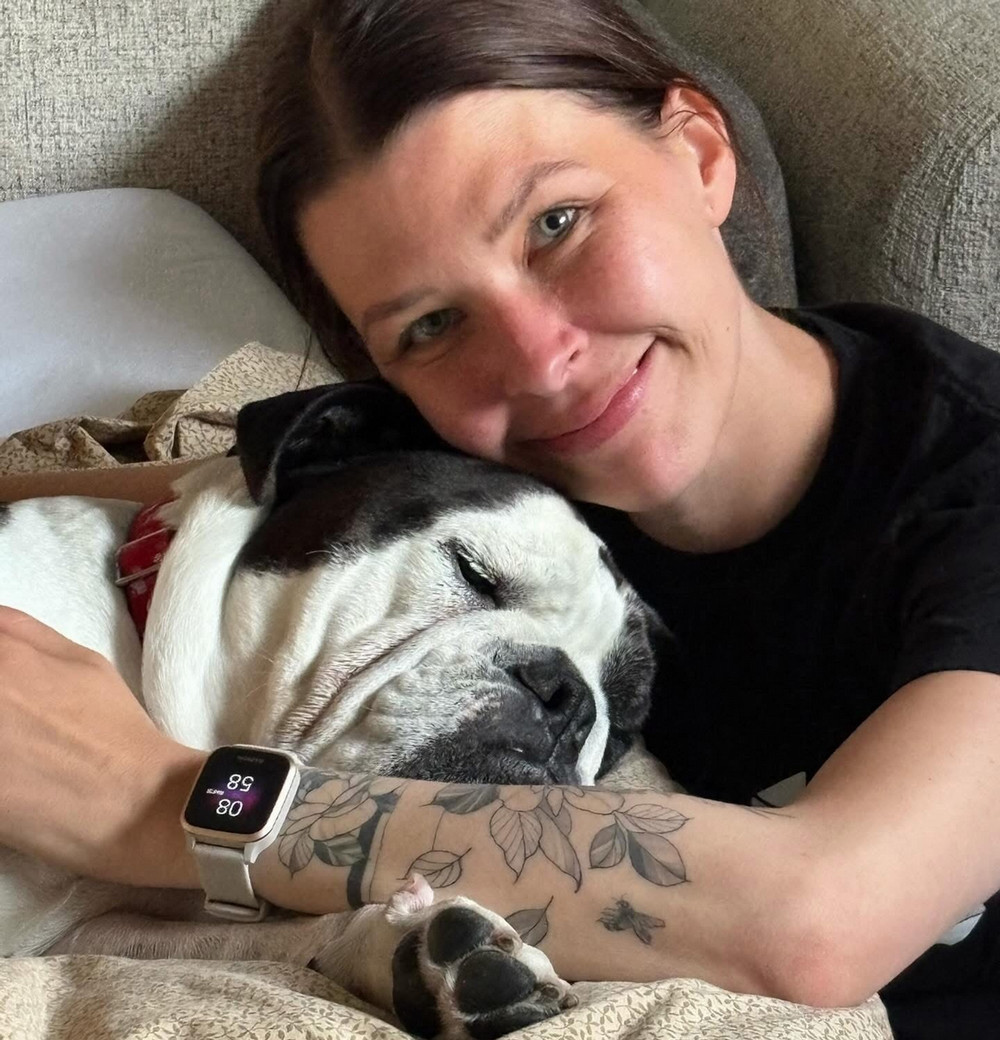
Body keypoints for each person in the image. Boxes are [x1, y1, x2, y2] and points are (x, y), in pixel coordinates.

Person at [1, 0, 998, 1035]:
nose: (536, 358)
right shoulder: (454, 448)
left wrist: (167, 802)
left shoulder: (966, 488)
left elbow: (819, 918)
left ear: (701, 154)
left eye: (557, 223)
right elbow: (171, 489)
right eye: (431, 323)